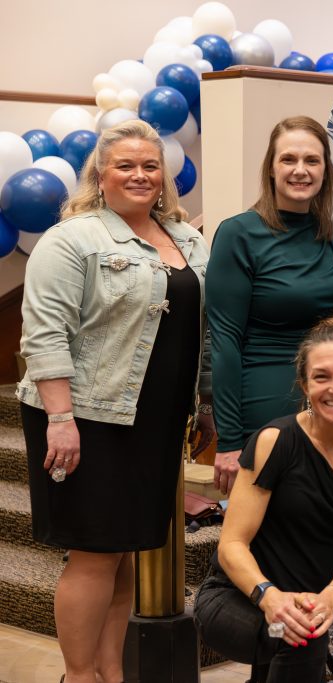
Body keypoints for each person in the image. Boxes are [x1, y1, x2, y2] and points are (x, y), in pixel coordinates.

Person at [17, 120, 210, 683]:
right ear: (100, 176)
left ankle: (109, 672)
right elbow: (44, 334)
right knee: (94, 553)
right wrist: (60, 419)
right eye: (125, 165)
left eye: (151, 165)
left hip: (154, 419)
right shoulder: (72, 238)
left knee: (124, 552)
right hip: (86, 417)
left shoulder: (188, 239)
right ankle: (78, 675)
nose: (140, 174)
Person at [194, 314, 333, 682]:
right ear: (304, 384)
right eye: (322, 377)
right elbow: (232, 544)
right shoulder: (275, 441)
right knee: (300, 633)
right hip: (239, 601)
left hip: (306, 607)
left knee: (301, 627)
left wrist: (331, 597)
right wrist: (270, 598)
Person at [207, 115, 333, 495]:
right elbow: (225, 342)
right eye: (288, 159)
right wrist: (228, 440)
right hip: (266, 403)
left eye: (312, 160)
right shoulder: (238, 234)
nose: (300, 171)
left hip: (332, 401)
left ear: (326, 170)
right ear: (271, 168)